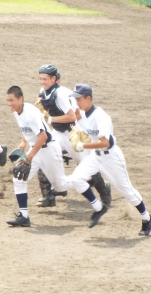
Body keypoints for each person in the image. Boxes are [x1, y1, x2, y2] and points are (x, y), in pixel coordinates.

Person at [67, 84, 151, 235]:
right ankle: (98, 208)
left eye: (79, 99)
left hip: (111, 158)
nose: (77, 103)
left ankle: (147, 218)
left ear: (88, 98)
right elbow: (82, 129)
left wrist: (83, 146)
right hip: (96, 157)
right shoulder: (82, 114)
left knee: (127, 191)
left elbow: (104, 143)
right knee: (77, 179)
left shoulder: (101, 117)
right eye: (75, 99)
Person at [36, 64, 110, 208]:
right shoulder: (43, 91)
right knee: (44, 155)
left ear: (54, 79)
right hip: (58, 133)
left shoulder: (61, 94)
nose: (42, 82)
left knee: (86, 167)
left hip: (72, 133)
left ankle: (104, 190)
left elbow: (72, 117)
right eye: (41, 79)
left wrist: (50, 119)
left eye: (45, 79)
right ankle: (48, 196)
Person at [4, 86, 72, 227]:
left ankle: (88, 177)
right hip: (36, 150)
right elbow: (27, 129)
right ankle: (24, 217)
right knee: (19, 179)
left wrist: (28, 157)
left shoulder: (30, 113)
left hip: (49, 150)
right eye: (7, 100)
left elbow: (43, 136)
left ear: (21, 99)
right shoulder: (17, 112)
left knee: (61, 186)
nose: (9, 103)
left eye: (12, 100)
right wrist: (23, 142)